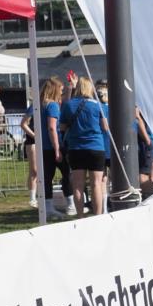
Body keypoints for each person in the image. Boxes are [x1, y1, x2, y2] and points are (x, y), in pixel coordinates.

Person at [60, 76, 110, 216]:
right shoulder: (96, 105)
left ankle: (80, 216)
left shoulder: (69, 105)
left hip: (76, 148)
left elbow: (62, 127)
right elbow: (105, 127)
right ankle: (98, 215)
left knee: (78, 184)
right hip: (96, 146)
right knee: (96, 184)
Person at [39, 76, 71, 219]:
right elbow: (52, 128)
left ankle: (48, 207)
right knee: (67, 173)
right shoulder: (52, 106)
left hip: (44, 146)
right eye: (61, 90)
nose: (61, 93)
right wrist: (57, 148)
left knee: (47, 177)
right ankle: (71, 204)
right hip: (53, 146)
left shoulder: (40, 105)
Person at [20, 104, 38, 208]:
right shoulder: (33, 106)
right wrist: (35, 136)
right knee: (34, 170)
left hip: (43, 143)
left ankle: (40, 196)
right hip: (32, 142)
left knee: (41, 171)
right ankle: (32, 198)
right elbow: (23, 124)